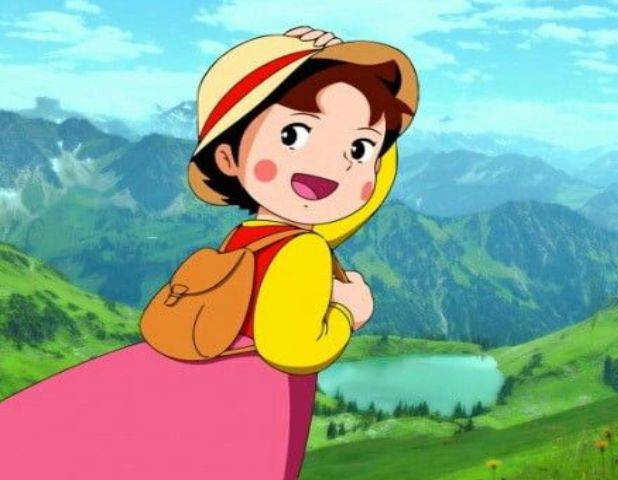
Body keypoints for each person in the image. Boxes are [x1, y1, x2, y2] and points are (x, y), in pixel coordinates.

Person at [0, 26, 418, 479]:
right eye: (294, 134)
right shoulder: (304, 250)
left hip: (209, 377)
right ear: (228, 158)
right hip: (255, 397)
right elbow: (293, 348)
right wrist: (347, 314)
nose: (330, 163)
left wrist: (320, 63)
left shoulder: (247, 235)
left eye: (358, 148)